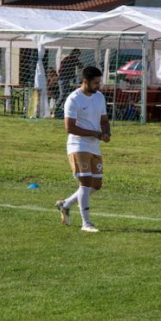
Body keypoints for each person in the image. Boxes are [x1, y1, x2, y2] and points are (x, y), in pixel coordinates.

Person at [55, 66, 110, 233]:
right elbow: (69, 128)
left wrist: (106, 132)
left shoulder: (99, 97)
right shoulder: (73, 99)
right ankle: (86, 224)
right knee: (85, 182)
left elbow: (104, 120)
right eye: (95, 83)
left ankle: (66, 204)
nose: (98, 86)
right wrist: (95, 133)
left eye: (99, 82)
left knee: (96, 184)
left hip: (94, 145)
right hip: (77, 145)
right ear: (85, 81)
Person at [55, 49, 82, 118]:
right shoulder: (72, 58)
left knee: (65, 94)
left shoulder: (68, 58)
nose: (78, 56)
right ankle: (56, 109)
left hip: (65, 78)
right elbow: (80, 65)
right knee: (63, 94)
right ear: (75, 53)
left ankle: (62, 109)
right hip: (63, 78)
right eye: (78, 54)